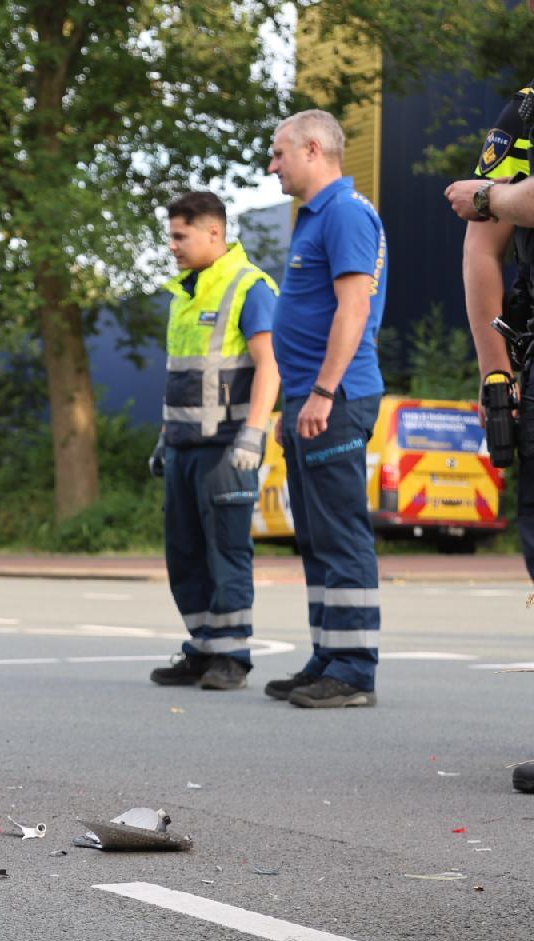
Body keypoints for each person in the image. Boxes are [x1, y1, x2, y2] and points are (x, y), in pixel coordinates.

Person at [263, 109, 387, 709]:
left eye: (279, 152)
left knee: (341, 536)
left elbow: (353, 311)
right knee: (315, 537)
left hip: (335, 399)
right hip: (312, 400)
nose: (273, 164)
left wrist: (322, 392)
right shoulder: (316, 216)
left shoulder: (344, 214)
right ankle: (329, 654)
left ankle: (355, 669)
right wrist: (295, 402)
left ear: (313, 149)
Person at [148, 192, 281, 691]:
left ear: (213, 233)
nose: (173, 247)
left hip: (228, 448)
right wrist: (166, 439)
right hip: (184, 447)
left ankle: (233, 655)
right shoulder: (186, 293)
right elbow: (184, 378)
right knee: (183, 553)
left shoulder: (249, 287)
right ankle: (203, 648)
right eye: (172, 237)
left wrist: (253, 434)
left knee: (226, 552)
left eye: (181, 236)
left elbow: (271, 364)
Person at [445, 78, 534, 792]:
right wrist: (495, 373)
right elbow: (483, 251)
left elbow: (487, 205)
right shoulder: (527, 110)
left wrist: (493, 195)